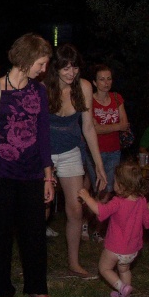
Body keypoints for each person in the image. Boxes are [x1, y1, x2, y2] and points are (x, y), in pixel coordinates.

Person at [0, 33, 55, 297]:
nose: (43, 70)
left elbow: (44, 135)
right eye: (41, 63)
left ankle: (37, 286)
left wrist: (48, 177)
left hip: (32, 174)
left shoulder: (39, 91)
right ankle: (1, 289)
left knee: (35, 234)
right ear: (26, 59)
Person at [45, 43, 106, 277]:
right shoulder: (43, 87)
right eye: (66, 68)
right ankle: (36, 260)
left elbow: (88, 128)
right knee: (43, 209)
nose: (71, 73)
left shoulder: (84, 87)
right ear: (56, 68)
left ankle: (74, 262)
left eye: (75, 67)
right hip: (45, 154)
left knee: (76, 210)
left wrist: (98, 165)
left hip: (71, 152)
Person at [77, 160, 149, 297]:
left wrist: (87, 198)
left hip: (115, 247)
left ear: (122, 186)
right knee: (124, 270)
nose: (114, 184)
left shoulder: (118, 202)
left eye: (116, 182)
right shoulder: (142, 201)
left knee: (104, 269)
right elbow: (148, 224)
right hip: (132, 250)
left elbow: (101, 211)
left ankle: (122, 288)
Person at [87, 64, 130, 194]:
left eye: (109, 78)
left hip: (114, 150)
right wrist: (116, 126)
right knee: (98, 188)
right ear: (95, 82)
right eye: (102, 79)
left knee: (110, 188)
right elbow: (93, 129)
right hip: (95, 150)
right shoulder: (89, 100)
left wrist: (104, 127)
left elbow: (124, 124)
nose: (106, 82)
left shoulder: (117, 98)